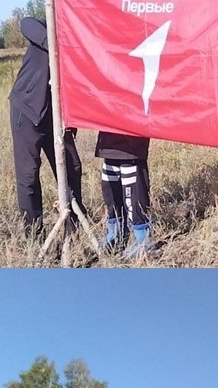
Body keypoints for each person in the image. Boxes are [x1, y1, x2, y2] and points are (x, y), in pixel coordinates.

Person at [8, 16, 84, 235]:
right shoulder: (43, 25)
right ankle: (34, 233)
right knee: (28, 174)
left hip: (57, 116)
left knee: (72, 167)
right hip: (28, 110)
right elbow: (25, 23)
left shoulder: (81, 39)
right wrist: (60, 47)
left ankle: (74, 227)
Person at [95, 130, 153, 258]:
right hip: (108, 142)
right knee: (110, 192)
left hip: (131, 147)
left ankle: (142, 239)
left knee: (134, 196)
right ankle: (116, 233)